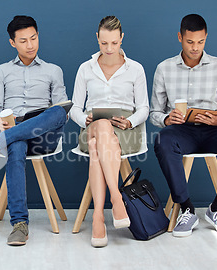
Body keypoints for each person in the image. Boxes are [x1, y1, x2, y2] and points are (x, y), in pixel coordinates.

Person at [150, 14, 217, 237]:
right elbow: (154, 113)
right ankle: (186, 208)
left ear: (206, 38)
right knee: (162, 140)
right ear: (180, 37)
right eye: (190, 42)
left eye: (200, 42)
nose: (195, 47)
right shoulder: (164, 68)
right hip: (181, 131)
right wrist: (167, 119)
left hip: (215, 130)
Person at [0, 15, 68, 246]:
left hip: (45, 134)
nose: (30, 45)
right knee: (16, 144)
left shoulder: (53, 70)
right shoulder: (1, 71)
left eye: (34, 38)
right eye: (23, 40)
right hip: (14, 129)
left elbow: (62, 109)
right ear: (12, 43)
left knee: (57, 112)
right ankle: (19, 225)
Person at [69, 16, 149, 247]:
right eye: (104, 43)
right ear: (97, 38)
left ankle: (97, 219)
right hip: (92, 126)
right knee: (101, 125)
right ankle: (116, 199)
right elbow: (74, 106)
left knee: (97, 147)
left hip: (125, 130)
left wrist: (131, 121)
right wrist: (85, 118)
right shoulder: (86, 68)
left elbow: (143, 107)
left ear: (122, 38)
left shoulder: (136, 69)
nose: (109, 48)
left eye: (114, 43)